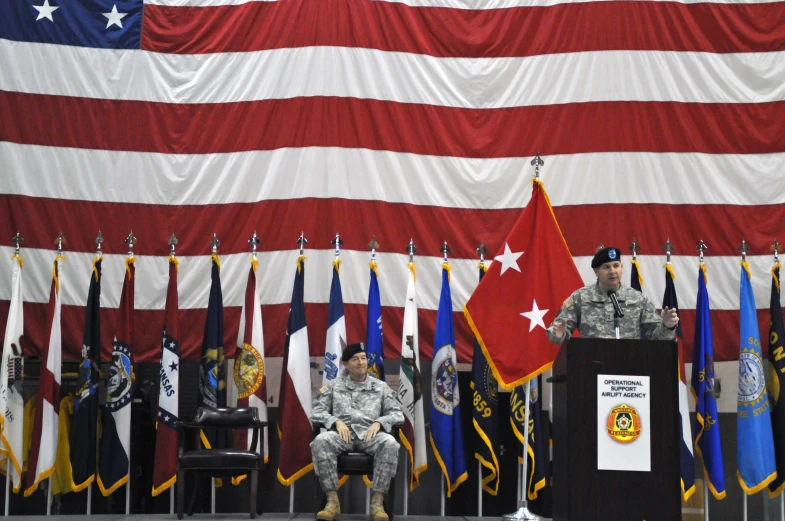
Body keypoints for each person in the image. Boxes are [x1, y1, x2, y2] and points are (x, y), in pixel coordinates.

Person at [310, 342, 403, 521]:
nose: (361, 362)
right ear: (345, 364)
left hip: (371, 436)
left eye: (363, 358)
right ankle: (332, 502)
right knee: (322, 440)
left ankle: (378, 503)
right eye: (355, 359)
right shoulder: (334, 386)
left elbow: (397, 414)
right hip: (342, 436)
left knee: (390, 442)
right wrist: (335, 421)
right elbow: (316, 412)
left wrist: (379, 422)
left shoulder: (380, 387)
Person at [547, 247, 679, 342]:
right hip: (590, 365)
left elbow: (659, 338)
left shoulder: (637, 298)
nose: (612, 271)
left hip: (629, 367)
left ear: (622, 267)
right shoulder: (580, 297)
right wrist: (558, 334)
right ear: (596, 271)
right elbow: (558, 331)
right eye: (606, 267)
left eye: (616, 266)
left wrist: (667, 326)